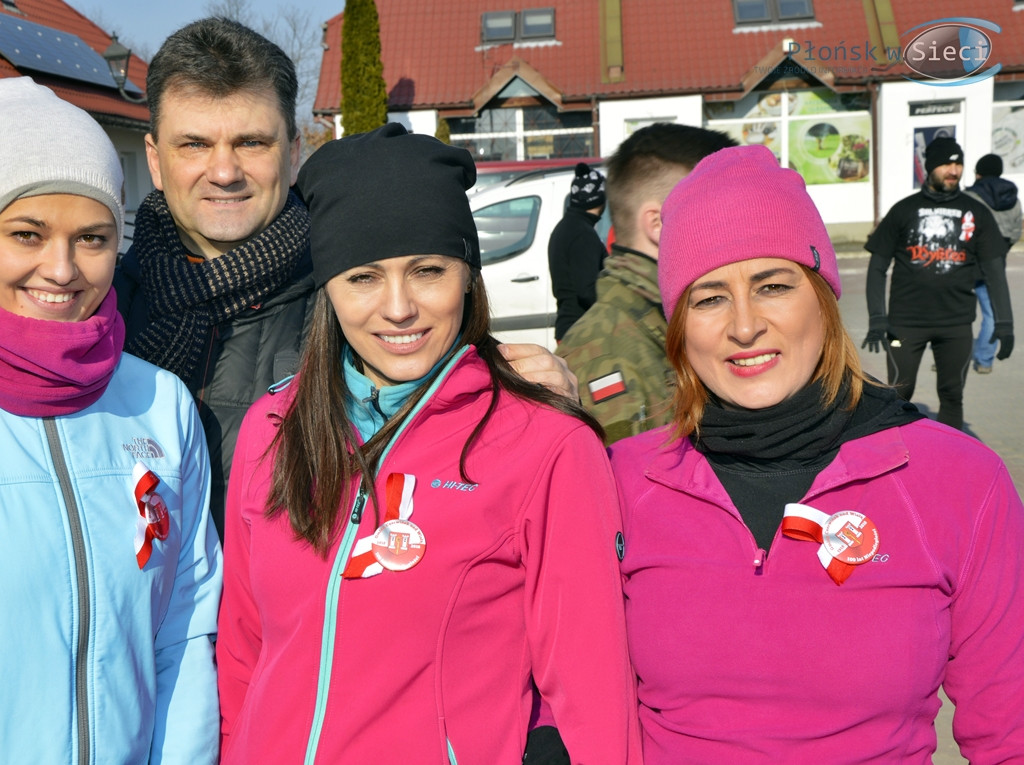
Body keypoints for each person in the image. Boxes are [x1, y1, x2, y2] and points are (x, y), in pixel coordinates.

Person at [216, 124, 641, 764]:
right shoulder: (271, 428)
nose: (398, 308)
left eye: (428, 271)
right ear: (328, 287)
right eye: (363, 277)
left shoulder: (545, 443)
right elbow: (243, 655)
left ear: (468, 275)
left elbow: (593, 692)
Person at [612, 143, 1024, 763]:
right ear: (678, 327)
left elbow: (1010, 729)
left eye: (773, 286)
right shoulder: (621, 480)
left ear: (824, 299)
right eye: (709, 297)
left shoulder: (960, 479)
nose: (744, 326)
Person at [115, 17, 578, 539]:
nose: (224, 172)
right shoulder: (100, 316)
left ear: (293, 153)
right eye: (194, 145)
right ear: (155, 160)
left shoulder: (357, 305)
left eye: (252, 142)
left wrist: (538, 406)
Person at [0, 78, 221, 763]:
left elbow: (185, 626)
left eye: (92, 238)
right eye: (27, 234)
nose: (61, 268)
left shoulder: (159, 402)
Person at [557, 123, 737, 443]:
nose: (734, 229)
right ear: (658, 224)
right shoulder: (604, 351)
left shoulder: (674, 317)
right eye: (714, 213)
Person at [862, 136, 1014, 430]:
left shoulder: (976, 212)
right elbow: (877, 267)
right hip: (905, 324)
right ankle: (898, 454)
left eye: (958, 164)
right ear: (930, 167)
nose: (953, 170)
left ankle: (951, 456)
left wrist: (1004, 323)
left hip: (955, 324)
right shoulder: (904, 210)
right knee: (899, 395)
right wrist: (877, 318)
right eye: (945, 164)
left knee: (952, 395)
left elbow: (995, 271)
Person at [964, 152, 1022, 374]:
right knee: (991, 313)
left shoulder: (970, 196)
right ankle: (985, 361)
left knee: (958, 312)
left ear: (978, 173)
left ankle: (950, 355)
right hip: (995, 265)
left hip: (967, 264)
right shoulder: (1013, 197)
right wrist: (1001, 251)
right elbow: (1016, 231)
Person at [548, 162, 607, 341]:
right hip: (582, 334)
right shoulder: (583, 234)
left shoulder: (565, 228)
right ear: (599, 198)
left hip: (569, 330)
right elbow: (587, 291)